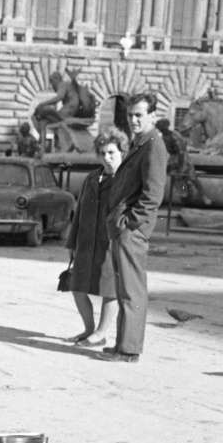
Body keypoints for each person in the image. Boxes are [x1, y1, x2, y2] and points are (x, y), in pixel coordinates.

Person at [97, 92, 168, 363]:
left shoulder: (154, 146)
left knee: (131, 290)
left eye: (139, 115)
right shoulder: (141, 143)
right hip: (124, 228)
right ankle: (122, 344)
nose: (133, 120)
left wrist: (130, 224)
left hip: (131, 231)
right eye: (130, 115)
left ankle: (129, 349)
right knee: (124, 286)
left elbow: (152, 195)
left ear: (152, 116)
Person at [64, 129, 128, 348]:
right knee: (77, 287)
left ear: (122, 152)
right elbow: (80, 211)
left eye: (111, 152)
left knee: (109, 290)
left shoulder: (125, 180)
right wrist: (72, 243)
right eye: (102, 153)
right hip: (85, 242)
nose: (106, 158)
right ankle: (89, 329)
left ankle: (101, 333)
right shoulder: (92, 178)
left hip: (110, 244)